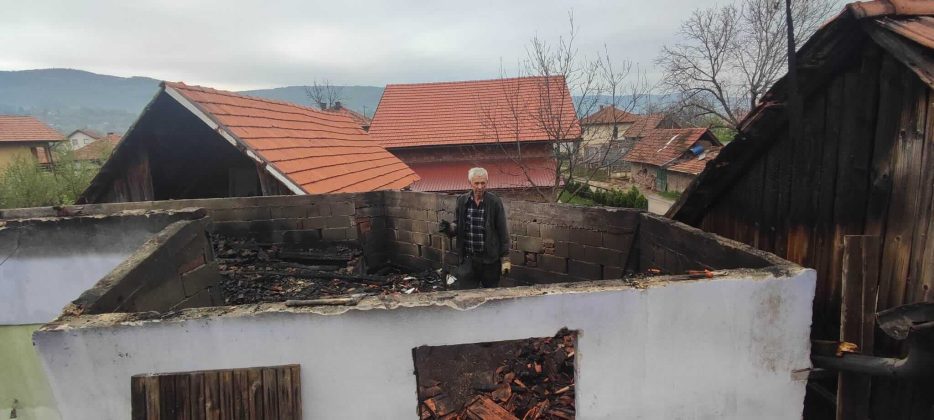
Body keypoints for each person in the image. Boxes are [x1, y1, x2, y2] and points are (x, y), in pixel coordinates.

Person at [439, 167, 510, 288]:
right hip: (468, 258)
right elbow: (458, 225)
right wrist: (449, 228)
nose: (480, 187)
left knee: (491, 293)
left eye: (483, 183)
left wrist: (505, 258)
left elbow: (503, 231)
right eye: (476, 183)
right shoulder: (462, 201)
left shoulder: (494, 202)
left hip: (490, 260)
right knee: (467, 293)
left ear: (487, 182)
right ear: (470, 183)